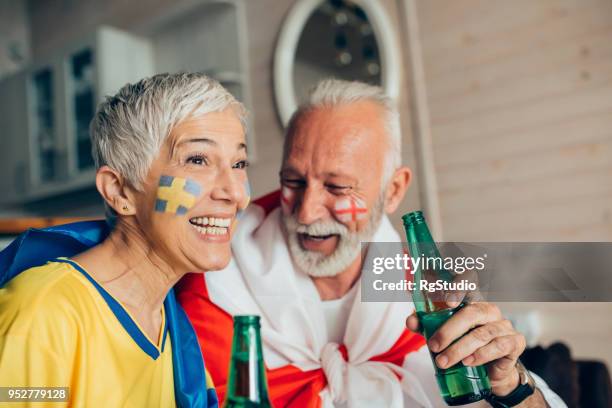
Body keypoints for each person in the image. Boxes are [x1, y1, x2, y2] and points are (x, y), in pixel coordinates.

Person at [176, 79, 566, 407]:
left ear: (393, 190)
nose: (307, 212)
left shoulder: (430, 290)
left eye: (337, 187)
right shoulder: (214, 278)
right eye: (293, 182)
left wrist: (510, 385)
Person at [0, 72, 250, 407]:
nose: (235, 193)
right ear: (120, 191)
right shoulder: (42, 314)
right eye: (198, 160)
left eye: (238, 163)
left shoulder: (174, 332)